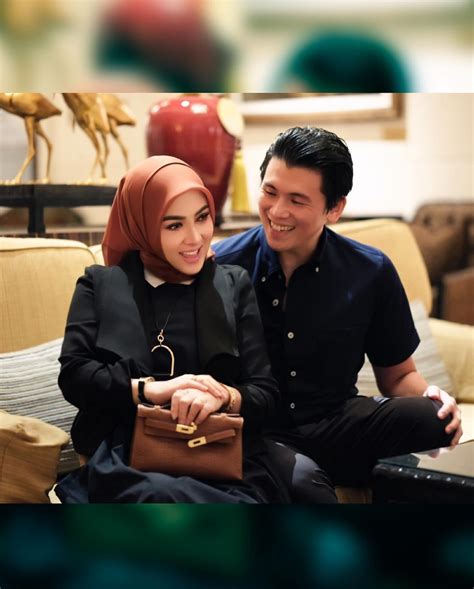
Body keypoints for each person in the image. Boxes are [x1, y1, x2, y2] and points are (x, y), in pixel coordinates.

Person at [213, 126, 463, 500]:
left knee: (434, 420)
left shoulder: (370, 271)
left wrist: (435, 398)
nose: (277, 211)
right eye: (270, 192)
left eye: (297, 200)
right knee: (305, 482)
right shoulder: (222, 266)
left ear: (334, 209)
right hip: (259, 433)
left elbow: (398, 376)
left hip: (337, 421)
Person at [55, 155, 287, 504]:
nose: (195, 238)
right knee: (160, 497)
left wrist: (223, 395)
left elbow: (265, 392)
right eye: (174, 225)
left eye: (202, 218)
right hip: (128, 458)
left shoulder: (232, 284)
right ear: (143, 225)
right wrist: (152, 390)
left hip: (219, 452)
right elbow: (75, 376)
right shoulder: (99, 284)